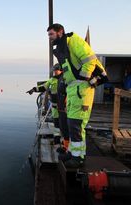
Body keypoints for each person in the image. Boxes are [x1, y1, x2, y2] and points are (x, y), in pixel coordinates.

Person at [47, 23, 108, 168]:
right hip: (74, 90)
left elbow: (90, 59)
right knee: (73, 125)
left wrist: (84, 78)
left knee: (76, 125)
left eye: (51, 34)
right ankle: (74, 153)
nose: (49, 38)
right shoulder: (62, 48)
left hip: (82, 90)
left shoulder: (73, 40)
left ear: (60, 32)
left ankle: (78, 158)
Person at [27, 64, 62, 129]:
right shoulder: (52, 80)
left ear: (61, 70)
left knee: (64, 124)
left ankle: (65, 137)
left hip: (64, 107)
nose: (55, 72)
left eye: (56, 70)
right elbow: (43, 87)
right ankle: (57, 138)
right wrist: (33, 89)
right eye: (54, 70)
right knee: (56, 124)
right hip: (55, 106)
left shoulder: (66, 79)